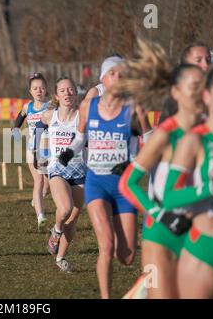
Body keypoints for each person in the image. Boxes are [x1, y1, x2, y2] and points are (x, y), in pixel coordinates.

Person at [117, 39, 206, 298]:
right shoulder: (166, 132)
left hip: (199, 230)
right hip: (162, 231)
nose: (201, 93)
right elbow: (128, 183)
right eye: (194, 87)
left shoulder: (212, 132)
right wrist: (161, 214)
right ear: (176, 93)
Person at [59, 56, 147, 298]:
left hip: (124, 186)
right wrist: (69, 151)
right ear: (103, 79)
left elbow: (150, 142)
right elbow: (81, 138)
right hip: (97, 182)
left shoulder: (134, 107)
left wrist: (133, 164)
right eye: (113, 74)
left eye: (122, 74)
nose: (118, 79)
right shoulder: (90, 106)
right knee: (105, 246)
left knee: (127, 256)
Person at [161, 65, 213, 298]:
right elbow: (169, 197)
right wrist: (211, 187)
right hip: (205, 250)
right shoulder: (194, 140)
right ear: (207, 97)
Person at [33, 77, 86, 272]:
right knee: (64, 209)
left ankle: (61, 257)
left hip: (81, 171)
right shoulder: (49, 115)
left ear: (76, 93)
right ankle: (55, 231)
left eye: (71, 89)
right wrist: (37, 154)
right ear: (56, 95)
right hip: (57, 170)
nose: (67, 93)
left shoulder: (83, 116)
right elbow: (38, 129)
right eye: (63, 90)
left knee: (72, 220)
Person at [12, 73, 50, 231]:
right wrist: (15, 130)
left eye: (41, 88)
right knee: (39, 181)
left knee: (47, 187)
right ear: (30, 91)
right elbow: (19, 118)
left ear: (46, 90)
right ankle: (40, 216)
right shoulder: (28, 107)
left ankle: (37, 199)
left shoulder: (51, 107)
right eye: (35, 88)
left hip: (49, 149)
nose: (39, 90)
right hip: (32, 149)